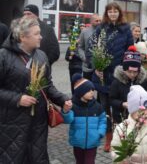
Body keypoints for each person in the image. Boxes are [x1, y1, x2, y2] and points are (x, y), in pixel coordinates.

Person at [0, 17, 72, 163]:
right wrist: (17, 99)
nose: (41, 36)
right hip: (12, 124)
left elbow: (47, 85)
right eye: (36, 33)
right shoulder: (3, 56)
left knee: (37, 157)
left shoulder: (41, 56)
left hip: (38, 124)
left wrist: (62, 99)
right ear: (22, 37)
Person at [87, 2, 134, 152]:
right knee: (105, 108)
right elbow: (91, 48)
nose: (112, 14)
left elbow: (130, 50)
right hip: (103, 75)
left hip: (119, 75)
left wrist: (126, 69)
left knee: (120, 107)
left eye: (115, 11)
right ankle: (108, 138)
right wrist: (96, 67)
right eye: (110, 11)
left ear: (119, 13)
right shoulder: (101, 28)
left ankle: (121, 136)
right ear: (106, 14)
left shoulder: (126, 29)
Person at [62, 74, 106, 164]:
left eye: (93, 90)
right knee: (79, 161)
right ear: (80, 93)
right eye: (89, 91)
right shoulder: (73, 106)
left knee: (90, 162)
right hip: (78, 142)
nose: (92, 93)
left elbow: (103, 120)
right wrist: (66, 112)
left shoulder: (97, 106)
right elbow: (68, 120)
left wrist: (100, 132)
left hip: (93, 141)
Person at [109, 46, 147, 125]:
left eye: (135, 72)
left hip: (139, 118)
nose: (132, 74)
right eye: (129, 71)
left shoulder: (144, 82)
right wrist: (122, 104)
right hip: (121, 118)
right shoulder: (117, 82)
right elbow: (111, 100)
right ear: (124, 69)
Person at [78, 14, 101, 80]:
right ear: (91, 21)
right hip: (87, 68)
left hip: (100, 67)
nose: (99, 22)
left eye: (100, 21)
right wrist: (84, 58)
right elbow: (80, 47)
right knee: (88, 88)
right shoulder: (84, 32)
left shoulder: (104, 31)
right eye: (97, 21)